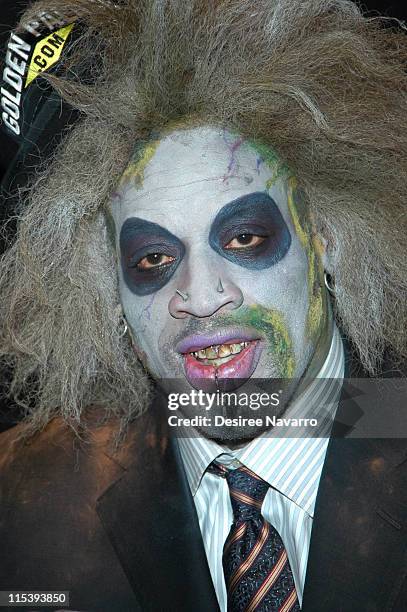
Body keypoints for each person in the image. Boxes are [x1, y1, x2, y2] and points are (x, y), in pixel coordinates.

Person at [0, 1, 406, 610]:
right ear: (104, 293)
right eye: (152, 260)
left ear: (329, 239)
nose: (199, 295)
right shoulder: (22, 508)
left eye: (244, 238)